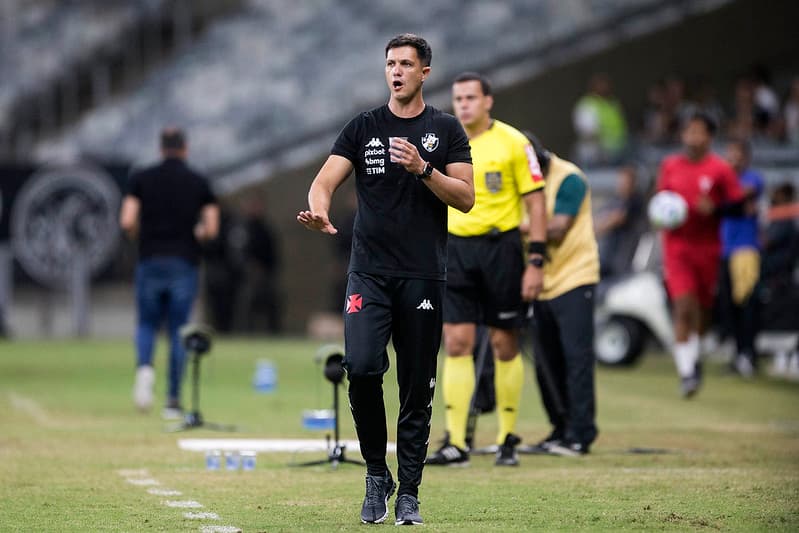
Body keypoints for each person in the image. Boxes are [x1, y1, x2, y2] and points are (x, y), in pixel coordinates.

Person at [296, 34, 473, 526]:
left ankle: (410, 493)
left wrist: (423, 169)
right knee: (363, 366)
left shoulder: (445, 129)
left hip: (421, 276)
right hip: (368, 273)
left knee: (416, 386)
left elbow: (465, 197)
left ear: (424, 73)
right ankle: (377, 474)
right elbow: (324, 180)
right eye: (390, 63)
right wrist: (319, 210)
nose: (396, 71)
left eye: (405, 64)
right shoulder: (365, 126)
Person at [424, 72, 546, 468]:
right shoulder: (444, 139)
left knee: (503, 344)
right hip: (455, 249)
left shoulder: (514, 142)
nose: (463, 104)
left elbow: (537, 203)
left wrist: (536, 261)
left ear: (488, 101)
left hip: (501, 249)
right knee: (456, 343)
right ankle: (456, 441)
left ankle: (507, 437)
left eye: (471, 97)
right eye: (458, 98)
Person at [119, 128, 219, 419]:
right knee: (179, 330)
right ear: (185, 148)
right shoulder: (199, 182)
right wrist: (196, 234)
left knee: (147, 324)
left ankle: (144, 371)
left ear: (161, 148)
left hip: (150, 259)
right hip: (183, 263)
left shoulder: (141, 178)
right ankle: (173, 399)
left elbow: (127, 221)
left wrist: (143, 235)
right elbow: (211, 228)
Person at [655, 112, 744, 397]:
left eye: (698, 132)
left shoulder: (720, 170)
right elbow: (660, 204)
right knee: (683, 307)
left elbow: (740, 208)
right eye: (688, 132)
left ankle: (694, 356)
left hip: (707, 249)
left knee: (703, 311)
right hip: (677, 247)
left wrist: (716, 210)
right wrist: (661, 217)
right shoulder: (670, 166)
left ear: (709, 137)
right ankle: (687, 374)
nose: (692, 138)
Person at [522, 135, 600, 457]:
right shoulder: (524, 179)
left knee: (575, 358)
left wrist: (516, 227)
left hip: (575, 277)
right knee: (545, 362)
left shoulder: (569, 178)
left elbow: (557, 227)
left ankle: (581, 433)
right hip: (542, 280)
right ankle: (560, 428)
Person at [718, 139, 764, 377]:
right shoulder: (725, 182)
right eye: (729, 153)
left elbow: (736, 197)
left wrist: (721, 202)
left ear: (746, 157)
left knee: (746, 304)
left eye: (736, 154)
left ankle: (749, 355)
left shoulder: (753, 178)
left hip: (745, 250)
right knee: (729, 306)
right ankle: (738, 354)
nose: (731, 158)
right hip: (724, 250)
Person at [596, 165, 645, 278]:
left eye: (625, 182)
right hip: (610, 255)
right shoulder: (615, 200)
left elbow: (617, 218)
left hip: (625, 257)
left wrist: (598, 228)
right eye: (620, 181)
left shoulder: (635, 201)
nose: (621, 185)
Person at [572, 73, 628, 166]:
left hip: (618, 151)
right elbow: (587, 132)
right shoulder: (588, 104)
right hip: (596, 154)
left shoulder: (612, 103)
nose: (605, 87)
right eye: (601, 85)